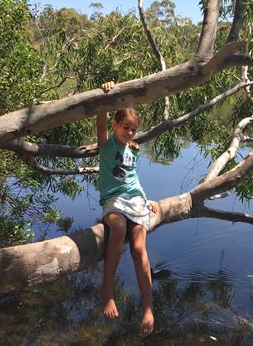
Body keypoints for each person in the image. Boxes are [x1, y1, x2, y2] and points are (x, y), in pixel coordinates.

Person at [97, 81, 158, 338]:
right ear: (115, 126)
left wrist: (148, 199)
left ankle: (148, 307)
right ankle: (108, 294)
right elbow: (100, 119)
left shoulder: (133, 150)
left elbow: (133, 178)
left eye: (134, 129)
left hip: (135, 199)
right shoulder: (107, 145)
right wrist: (107, 95)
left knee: (139, 248)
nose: (130, 133)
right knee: (118, 228)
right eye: (126, 128)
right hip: (113, 200)